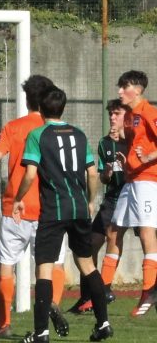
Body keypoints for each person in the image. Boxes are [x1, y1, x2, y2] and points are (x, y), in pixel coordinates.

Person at [14, 85, 112, 342]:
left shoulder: (38, 135)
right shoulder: (79, 134)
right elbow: (92, 173)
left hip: (54, 210)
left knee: (44, 269)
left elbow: (30, 174)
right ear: (63, 107)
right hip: (79, 208)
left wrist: (18, 198)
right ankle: (103, 323)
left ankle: (41, 333)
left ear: (40, 109)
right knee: (87, 264)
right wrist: (91, 201)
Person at [0, 75, 69, 337]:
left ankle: (4, 324)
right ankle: (53, 306)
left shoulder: (13, 127)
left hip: (15, 209)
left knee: (6, 266)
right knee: (54, 266)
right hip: (50, 210)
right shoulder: (58, 130)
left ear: (27, 99)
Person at [68, 99, 127, 314]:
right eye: (110, 113)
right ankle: (88, 297)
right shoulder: (104, 143)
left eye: (116, 113)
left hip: (136, 196)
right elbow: (102, 178)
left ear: (127, 116)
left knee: (141, 241)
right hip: (113, 198)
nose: (112, 117)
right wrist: (107, 174)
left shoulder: (137, 139)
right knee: (90, 243)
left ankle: (107, 290)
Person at [111, 70, 157, 316]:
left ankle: (148, 291)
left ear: (137, 90)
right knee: (113, 229)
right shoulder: (129, 116)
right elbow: (131, 144)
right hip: (131, 180)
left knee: (147, 232)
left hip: (148, 181)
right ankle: (104, 289)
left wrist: (149, 157)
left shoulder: (150, 113)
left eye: (124, 87)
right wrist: (119, 141)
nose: (119, 92)